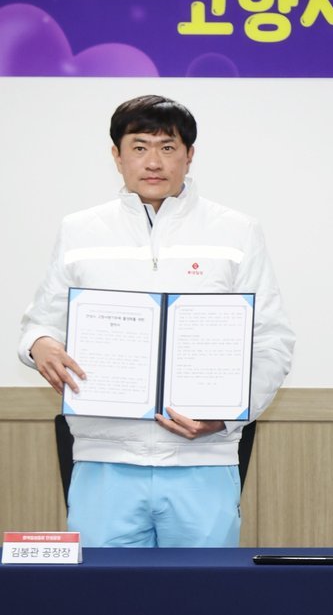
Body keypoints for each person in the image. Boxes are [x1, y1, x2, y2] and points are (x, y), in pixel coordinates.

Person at [17, 95, 295, 547]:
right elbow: (39, 324)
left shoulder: (237, 230)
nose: (153, 162)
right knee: (105, 586)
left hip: (203, 460)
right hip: (104, 459)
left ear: (189, 155)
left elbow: (272, 341)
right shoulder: (79, 230)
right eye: (139, 147)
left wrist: (225, 418)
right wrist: (40, 345)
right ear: (116, 155)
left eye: (167, 148)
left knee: (203, 586)